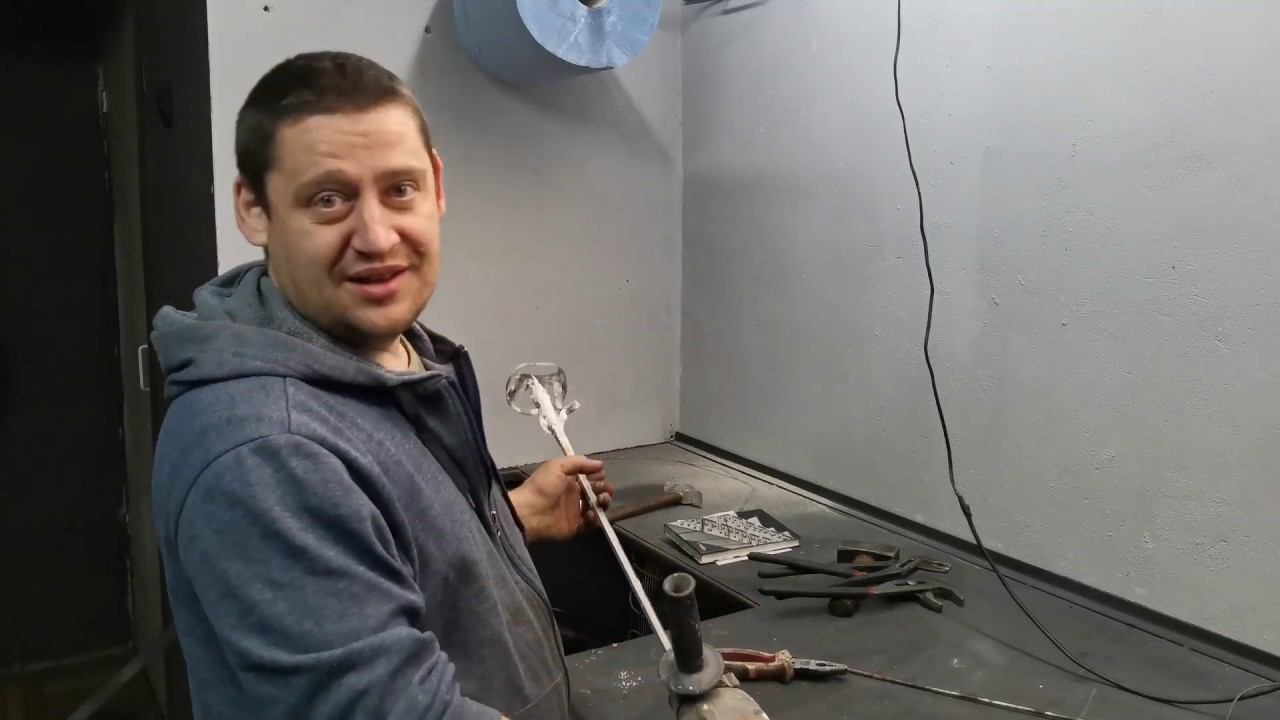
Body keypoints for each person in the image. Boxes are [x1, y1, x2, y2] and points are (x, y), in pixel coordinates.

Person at [149, 51, 612, 720]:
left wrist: (512, 518)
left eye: (400, 189)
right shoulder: (269, 450)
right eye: (328, 199)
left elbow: (385, 543)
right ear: (254, 209)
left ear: (437, 186)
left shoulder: (389, 357)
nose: (376, 236)